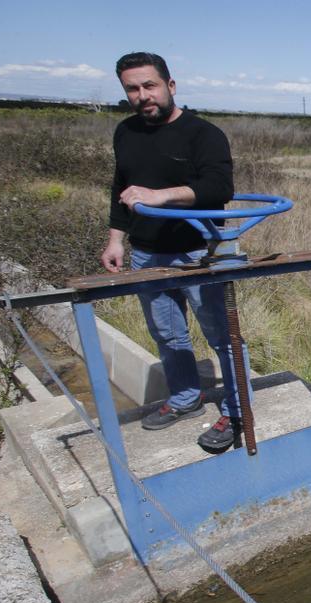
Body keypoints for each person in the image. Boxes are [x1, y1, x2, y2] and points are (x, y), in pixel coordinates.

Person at [103, 51, 246, 453]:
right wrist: (116, 239)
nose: (142, 95)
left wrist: (161, 196)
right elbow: (122, 189)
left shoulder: (203, 134)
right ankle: (185, 397)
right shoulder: (126, 132)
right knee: (167, 334)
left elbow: (220, 188)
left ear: (170, 85)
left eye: (149, 85)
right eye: (133, 88)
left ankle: (237, 410)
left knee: (223, 334)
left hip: (200, 251)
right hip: (147, 253)